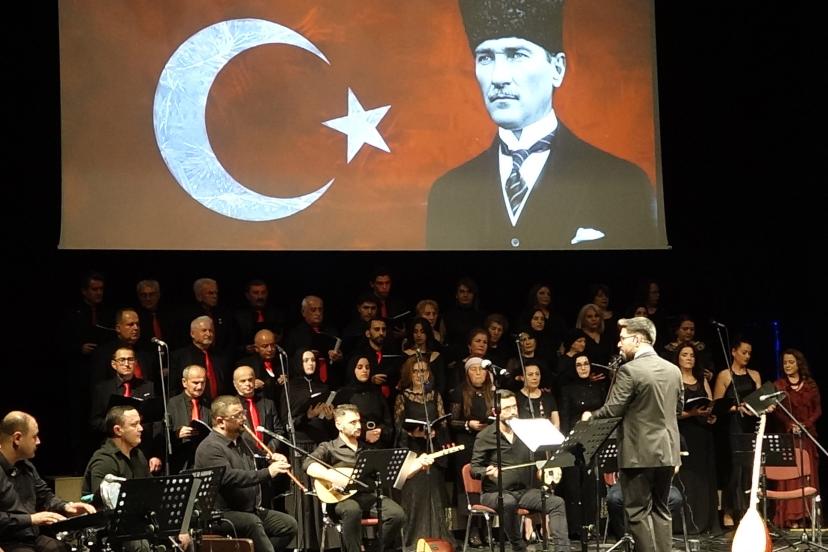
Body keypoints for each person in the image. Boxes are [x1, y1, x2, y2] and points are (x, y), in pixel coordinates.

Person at [426, 0, 658, 250]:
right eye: (485, 58)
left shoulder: (623, 183)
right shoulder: (447, 193)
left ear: (557, 69)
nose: (498, 77)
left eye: (517, 55)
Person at [582, 317, 682, 552]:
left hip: (639, 453)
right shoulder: (674, 370)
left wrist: (589, 417)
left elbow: (613, 410)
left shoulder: (630, 370)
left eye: (622, 338)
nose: (619, 344)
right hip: (667, 451)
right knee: (661, 509)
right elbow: (678, 409)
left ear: (637, 340)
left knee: (637, 512)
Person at [193, 396, 297, 552]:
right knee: (252, 523)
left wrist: (271, 459)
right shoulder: (210, 447)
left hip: (248, 509)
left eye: (243, 413)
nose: (243, 419)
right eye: (237, 415)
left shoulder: (243, 442)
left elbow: (258, 460)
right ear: (221, 422)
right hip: (221, 514)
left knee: (288, 525)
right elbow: (230, 477)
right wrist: (268, 472)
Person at [471, 390, 569, 551]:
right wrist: (487, 472)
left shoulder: (525, 432)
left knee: (556, 502)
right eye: (507, 408)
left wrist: (545, 469)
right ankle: (518, 547)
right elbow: (474, 468)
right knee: (508, 502)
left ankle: (563, 549)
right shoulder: (485, 436)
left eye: (514, 407)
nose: (512, 412)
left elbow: (538, 460)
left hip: (523, 491)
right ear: (496, 412)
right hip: (495, 493)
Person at [304, 404, 407, 552]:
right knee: (352, 510)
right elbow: (308, 464)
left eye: (359, 421)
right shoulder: (329, 447)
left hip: (366, 496)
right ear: (339, 425)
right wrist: (332, 476)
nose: (358, 426)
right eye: (353, 422)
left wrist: (416, 464)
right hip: (339, 499)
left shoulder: (367, 449)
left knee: (397, 515)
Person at [1, 411, 95, 552]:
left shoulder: (26, 466)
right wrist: (31, 519)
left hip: (30, 538)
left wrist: (66, 507)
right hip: (7, 541)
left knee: (61, 548)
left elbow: (45, 497)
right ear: (17, 438)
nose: (38, 441)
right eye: (34, 436)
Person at [393, 357, 455, 549]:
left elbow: (443, 424)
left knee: (434, 495)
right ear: (409, 374)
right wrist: (414, 433)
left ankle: (437, 539)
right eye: (416, 371)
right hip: (413, 451)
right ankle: (414, 540)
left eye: (424, 371)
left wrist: (436, 433)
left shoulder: (435, 396)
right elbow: (398, 428)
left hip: (432, 449)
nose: (420, 375)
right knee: (416, 496)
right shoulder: (402, 397)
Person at [711, 336, 762, 528]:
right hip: (732, 426)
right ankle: (729, 509)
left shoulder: (754, 375)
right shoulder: (725, 375)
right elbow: (717, 404)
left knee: (749, 469)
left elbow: (760, 398)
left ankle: (747, 510)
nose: (747, 356)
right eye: (743, 352)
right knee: (734, 469)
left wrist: (764, 405)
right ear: (733, 352)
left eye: (749, 353)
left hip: (750, 425)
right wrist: (736, 408)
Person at [770, 348, 821, 529]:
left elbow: (817, 410)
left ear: (799, 364)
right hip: (789, 436)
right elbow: (777, 411)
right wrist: (790, 425)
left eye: (791, 362)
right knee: (789, 478)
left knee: (807, 475)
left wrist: (805, 424)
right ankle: (791, 517)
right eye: (785, 363)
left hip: (807, 436)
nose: (787, 365)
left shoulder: (810, 385)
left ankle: (807, 515)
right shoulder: (779, 386)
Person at [673, 343, 719, 534]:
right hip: (683, 433)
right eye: (685, 355)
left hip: (702, 433)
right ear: (678, 358)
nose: (689, 358)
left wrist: (710, 415)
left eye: (691, 355)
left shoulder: (701, 379)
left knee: (703, 476)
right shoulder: (674, 379)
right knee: (686, 476)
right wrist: (691, 413)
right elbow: (670, 412)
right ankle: (685, 523)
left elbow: (710, 403)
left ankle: (704, 520)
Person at [82, 406, 153, 507]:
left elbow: (150, 489)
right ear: (118, 430)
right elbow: (105, 505)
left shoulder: (138, 454)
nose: (141, 428)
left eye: (140, 423)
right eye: (134, 425)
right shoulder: (105, 460)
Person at [167, 365, 212, 473]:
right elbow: (161, 436)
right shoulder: (172, 404)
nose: (200, 387)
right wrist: (176, 434)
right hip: (181, 461)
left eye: (203, 382)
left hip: (205, 460)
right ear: (184, 382)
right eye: (195, 383)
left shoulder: (210, 403)